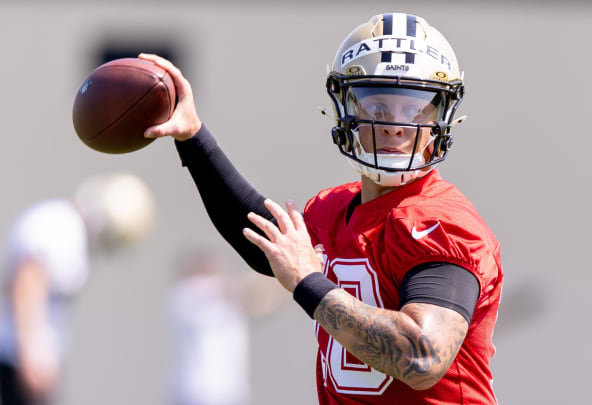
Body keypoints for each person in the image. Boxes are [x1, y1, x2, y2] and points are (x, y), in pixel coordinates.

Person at [141, 12, 503, 404]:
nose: (396, 125)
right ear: (346, 109)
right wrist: (193, 136)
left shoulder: (441, 223)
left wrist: (309, 283)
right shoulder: (333, 209)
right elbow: (265, 245)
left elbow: (422, 356)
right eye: (377, 105)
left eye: (416, 109)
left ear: (442, 119)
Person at [0, 173, 155, 405]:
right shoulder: (63, 228)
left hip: (28, 358)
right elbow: (27, 283)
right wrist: (31, 356)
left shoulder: (63, 224)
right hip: (17, 359)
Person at [168, 249, 288, 405]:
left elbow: (263, 302)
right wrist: (286, 267)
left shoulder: (227, 301)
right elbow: (248, 288)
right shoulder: (187, 293)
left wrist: (297, 285)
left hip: (229, 391)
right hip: (197, 392)